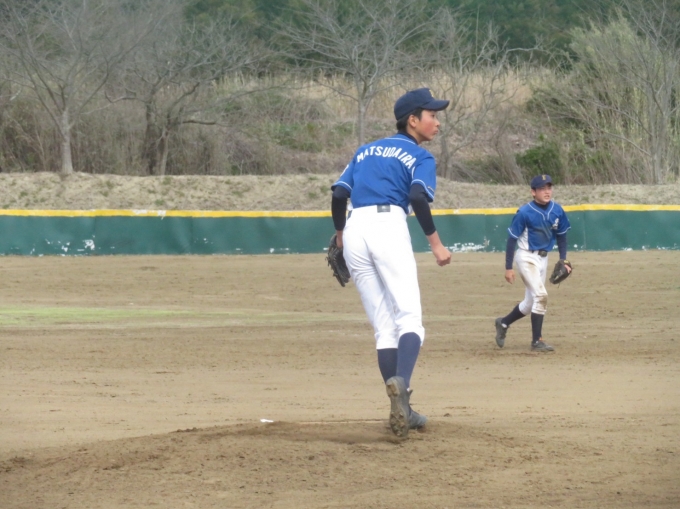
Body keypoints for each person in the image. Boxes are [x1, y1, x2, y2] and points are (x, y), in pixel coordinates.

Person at [330, 88, 452, 438]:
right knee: (409, 318)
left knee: (384, 327)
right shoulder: (420, 156)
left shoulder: (365, 150)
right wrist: (436, 243)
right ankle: (404, 391)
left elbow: (339, 193)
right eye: (432, 115)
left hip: (355, 227)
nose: (437, 122)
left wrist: (340, 234)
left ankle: (402, 409)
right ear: (413, 120)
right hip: (388, 225)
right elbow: (417, 195)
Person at [494, 174, 571, 352]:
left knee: (530, 303)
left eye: (549, 188)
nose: (547, 191)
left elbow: (562, 236)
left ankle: (503, 323)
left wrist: (563, 259)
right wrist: (508, 267)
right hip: (526, 257)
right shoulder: (524, 212)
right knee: (541, 296)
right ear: (533, 192)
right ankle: (537, 341)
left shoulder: (557, 210)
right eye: (542, 188)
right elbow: (512, 240)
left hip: (543, 259)